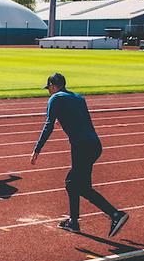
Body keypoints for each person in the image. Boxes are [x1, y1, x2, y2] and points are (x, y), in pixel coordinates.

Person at [31, 73, 129, 236]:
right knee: (82, 187)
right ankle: (75, 221)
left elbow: (48, 125)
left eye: (49, 88)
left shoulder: (55, 98)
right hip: (94, 145)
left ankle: (114, 214)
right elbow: (79, 119)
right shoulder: (78, 97)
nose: (49, 91)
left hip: (81, 147)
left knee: (71, 183)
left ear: (54, 86)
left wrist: (37, 149)